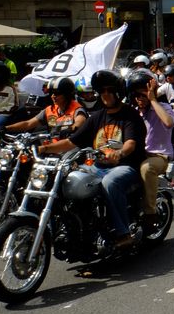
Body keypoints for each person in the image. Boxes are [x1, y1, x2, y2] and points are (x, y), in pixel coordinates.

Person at [39, 69, 147, 248]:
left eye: (109, 90)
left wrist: (118, 153)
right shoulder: (97, 116)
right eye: (102, 91)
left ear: (117, 92)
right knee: (66, 180)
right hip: (97, 167)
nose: (105, 94)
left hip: (125, 166)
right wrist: (44, 148)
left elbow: (130, 144)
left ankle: (124, 232)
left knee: (110, 183)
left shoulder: (130, 115)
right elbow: (71, 142)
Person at [127, 71, 174, 229]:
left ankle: (150, 212)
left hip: (159, 156)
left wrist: (153, 99)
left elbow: (169, 123)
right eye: (137, 96)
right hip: (137, 154)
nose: (140, 99)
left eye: (143, 95)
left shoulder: (163, 108)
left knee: (147, 168)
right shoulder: (133, 112)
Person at [6, 76, 88, 138]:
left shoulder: (77, 109)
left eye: (57, 93)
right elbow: (28, 124)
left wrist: (70, 129)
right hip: (51, 148)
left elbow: (79, 122)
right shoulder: (49, 110)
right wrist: (6, 128)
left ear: (67, 94)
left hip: (71, 149)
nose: (53, 96)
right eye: (51, 93)